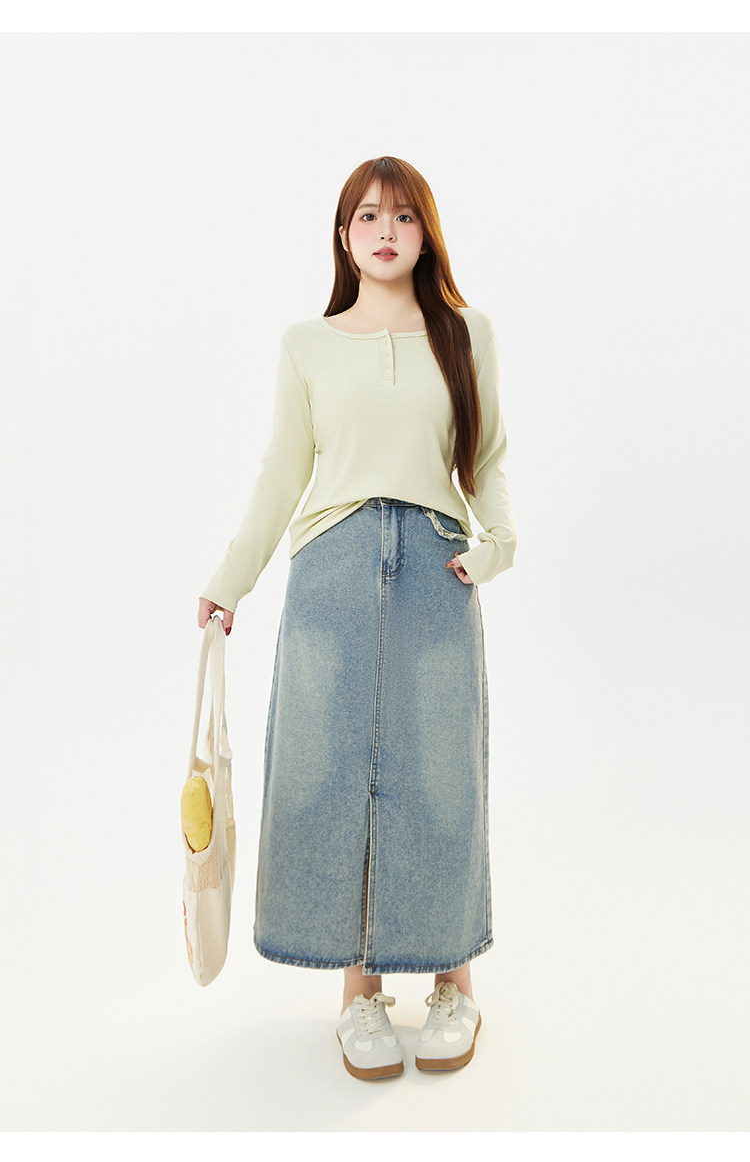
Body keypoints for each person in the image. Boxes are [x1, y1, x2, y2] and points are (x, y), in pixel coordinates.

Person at [197, 155, 518, 1081]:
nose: (386, 230)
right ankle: (359, 995)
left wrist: (496, 546)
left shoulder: (465, 332)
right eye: (368, 216)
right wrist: (231, 578)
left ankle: (454, 983)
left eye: (404, 215)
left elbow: (487, 457)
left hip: (435, 565)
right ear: (344, 237)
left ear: (426, 233)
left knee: (440, 771)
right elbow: (282, 470)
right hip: (330, 571)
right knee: (335, 777)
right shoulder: (308, 343)